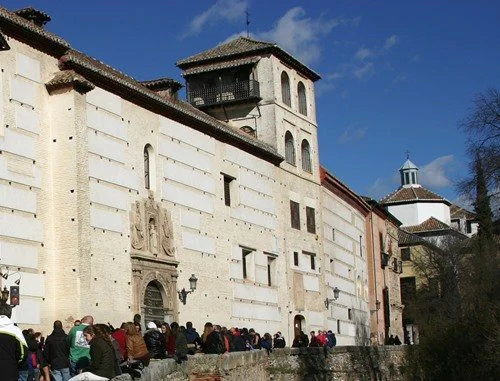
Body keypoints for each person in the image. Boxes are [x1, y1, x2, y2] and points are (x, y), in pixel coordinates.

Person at [0, 302, 27, 381]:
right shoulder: (16, 331)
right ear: (10, 314)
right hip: (10, 371)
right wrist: (14, 363)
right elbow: (23, 353)